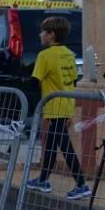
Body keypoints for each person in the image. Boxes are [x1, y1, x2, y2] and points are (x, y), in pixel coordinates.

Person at [26, 16, 91, 200]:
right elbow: (73, 80)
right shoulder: (69, 54)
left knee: (63, 146)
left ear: (51, 35)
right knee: (52, 146)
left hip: (53, 106)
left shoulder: (45, 55)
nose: (40, 35)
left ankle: (82, 184)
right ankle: (43, 180)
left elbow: (34, 81)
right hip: (67, 104)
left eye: (43, 32)